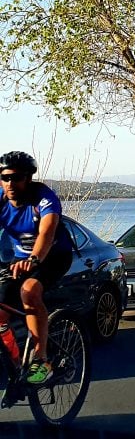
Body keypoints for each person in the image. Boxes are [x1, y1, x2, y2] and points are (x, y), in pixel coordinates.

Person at [0, 151, 73, 384]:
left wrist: (33, 260)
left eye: (17, 177)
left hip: (53, 256)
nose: (11, 183)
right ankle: (15, 365)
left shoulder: (44, 197)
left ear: (28, 178)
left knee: (29, 291)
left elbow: (46, 232)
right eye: (5, 177)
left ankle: (41, 360)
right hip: (16, 261)